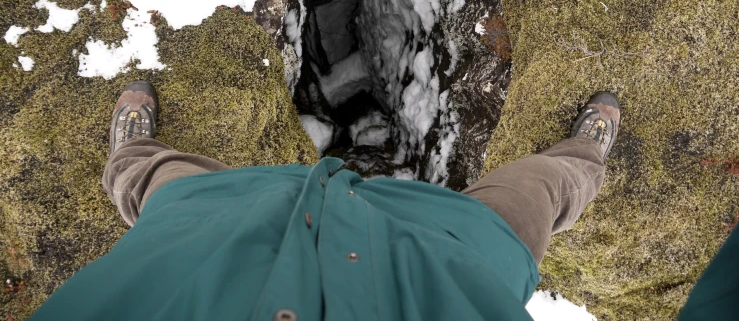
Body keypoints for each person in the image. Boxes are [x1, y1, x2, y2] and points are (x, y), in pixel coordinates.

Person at [30, 81, 619, 321]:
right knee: (538, 192)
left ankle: (133, 155)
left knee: (165, 185)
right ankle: (582, 156)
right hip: (440, 272)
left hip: (208, 259)